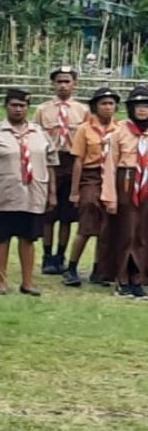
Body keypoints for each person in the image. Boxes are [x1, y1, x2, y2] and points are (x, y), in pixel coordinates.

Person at [0, 88, 57, 295]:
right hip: (2, 193)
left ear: (28, 108)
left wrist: (52, 193)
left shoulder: (40, 133)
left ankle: (27, 282)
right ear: (6, 106)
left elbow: (51, 163)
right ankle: (2, 282)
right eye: (14, 105)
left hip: (33, 193)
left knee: (28, 238)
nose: (18, 110)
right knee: (1, 238)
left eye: (22, 106)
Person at [61, 88, 120, 288]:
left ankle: (99, 268)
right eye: (104, 103)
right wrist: (75, 191)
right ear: (95, 106)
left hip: (111, 177)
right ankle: (71, 267)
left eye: (111, 103)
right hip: (90, 176)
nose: (108, 107)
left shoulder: (119, 129)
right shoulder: (84, 129)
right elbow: (78, 161)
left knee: (107, 226)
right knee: (87, 224)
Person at [32, 66, 88, 274]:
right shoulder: (42, 110)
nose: (63, 85)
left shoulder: (82, 111)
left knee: (67, 214)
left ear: (75, 84)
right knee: (49, 212)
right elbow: (35, 137)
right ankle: (47, 256)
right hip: (50, 162)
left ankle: (60, 255)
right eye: (59, 82)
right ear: (52, 84)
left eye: (67, 81)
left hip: (72, 161)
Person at [108, 86, 148, 298]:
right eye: (138, 106)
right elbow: (109, 165)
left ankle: (139, 278)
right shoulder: (120, 131)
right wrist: (110, 196)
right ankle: (122, 277)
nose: (142, 110)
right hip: (126, 181)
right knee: (127, 232)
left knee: (144, 233)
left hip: (147, 182)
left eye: (146, 106)